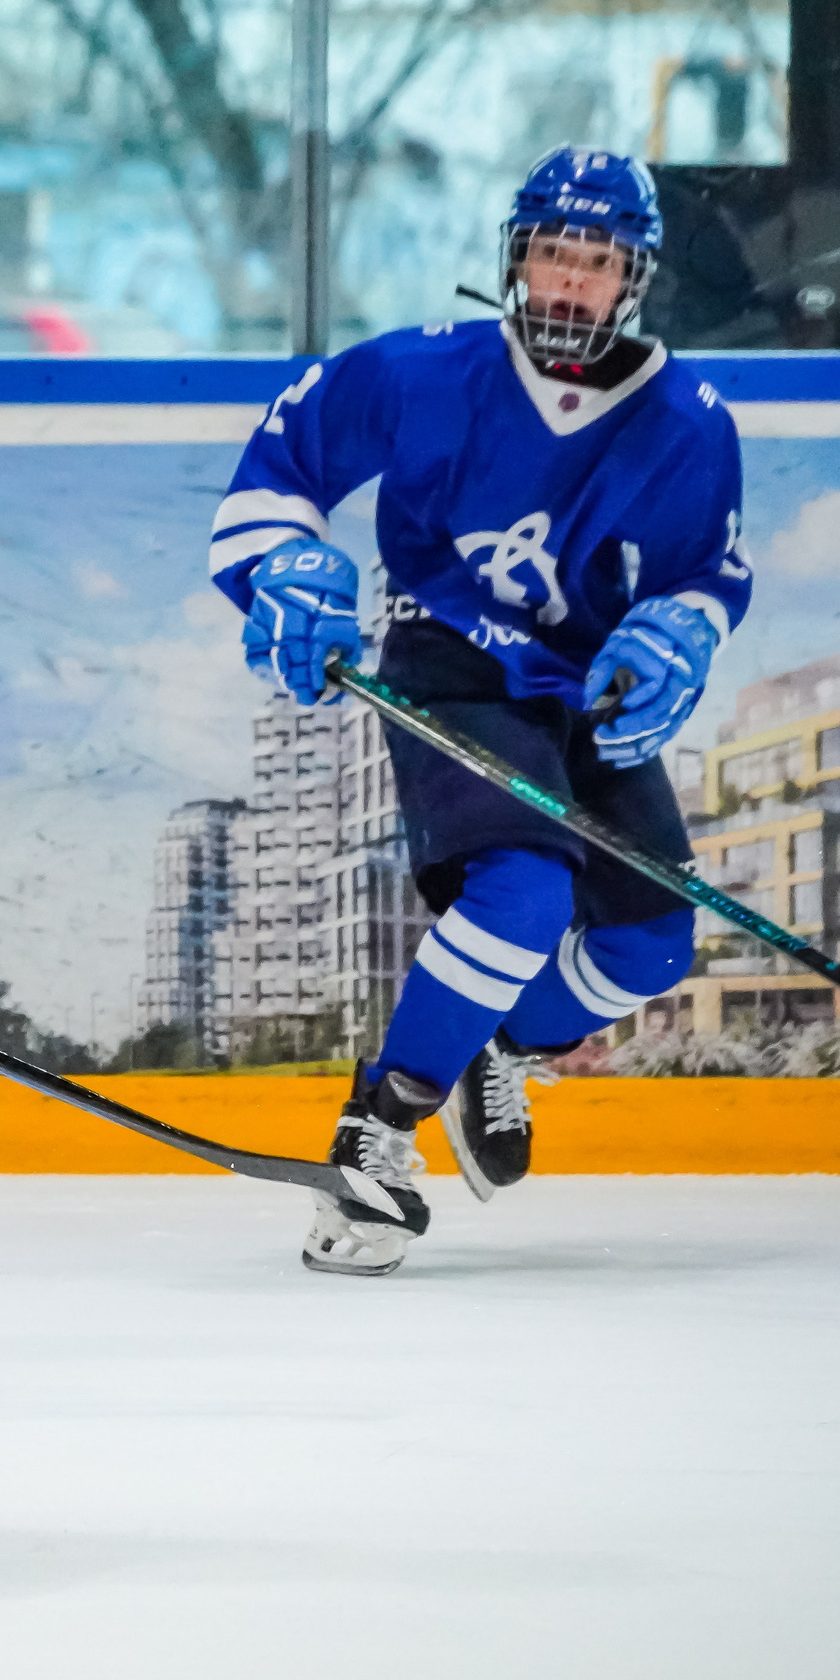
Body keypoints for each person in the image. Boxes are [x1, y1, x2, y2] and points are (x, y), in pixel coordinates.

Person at [209, 147, 750, 1277]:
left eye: (594, 263)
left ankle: (497, 1048)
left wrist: (680, 632)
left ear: (632, 279)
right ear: (515, 258)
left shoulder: (689, 421)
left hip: (583, 685)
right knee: (521, 890)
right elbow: (278, 472)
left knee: (651, 946)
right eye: (551, 253)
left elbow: (704, 570)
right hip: (448, 658)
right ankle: (375, 1135)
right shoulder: (422, 374)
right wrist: (286, 571)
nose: (568, 282)